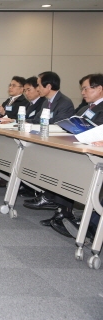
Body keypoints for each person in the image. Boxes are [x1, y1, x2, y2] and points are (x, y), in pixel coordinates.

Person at [47, 74, 103, 238]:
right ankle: (65, 213)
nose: (83, 92)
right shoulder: (86, 107)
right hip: (82, 149)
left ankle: (89, 227)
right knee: (62, 162)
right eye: (82, 89)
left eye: (86, 88)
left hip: (94, 154)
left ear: (100, 88)